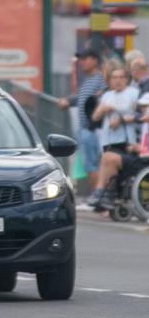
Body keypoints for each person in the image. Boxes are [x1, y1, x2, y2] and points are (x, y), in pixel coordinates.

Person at [88, 64, 140, 210]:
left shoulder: (134, 93)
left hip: (127, 141)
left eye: (121, 77)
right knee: (106, 163)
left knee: (110, 161)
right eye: (114, 77)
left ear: (126, 79)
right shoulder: (107, 95)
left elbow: (139, 114)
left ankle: (102, 195)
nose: (117, 81)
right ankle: (104, 197)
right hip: (108, 140)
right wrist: (104, 108)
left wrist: (119, 115)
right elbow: (95, 116)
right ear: (110, 80)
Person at [56, 48, 105, 193]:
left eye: (85, 59)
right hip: (85, 128)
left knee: (93, 165)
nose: (82, 62)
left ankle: (96, 198)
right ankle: (95, 198)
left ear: (95, 60)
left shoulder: (100, 80)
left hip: (93, 129)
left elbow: (100, 100)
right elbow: (81, 98)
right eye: (81, 59)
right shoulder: (88, 81)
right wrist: (68, 101)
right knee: (89, 165)